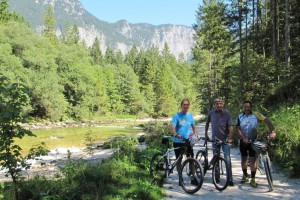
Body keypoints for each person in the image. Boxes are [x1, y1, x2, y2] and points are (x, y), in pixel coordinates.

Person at [236, 100, 276, 188]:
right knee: (243, 159)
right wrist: (243, 138)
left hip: (253, 141)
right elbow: (238, 129)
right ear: (243, 107)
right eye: (245, 106)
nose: (246, 108)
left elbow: (267, 121)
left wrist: (272, 132)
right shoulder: (239, 116)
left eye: (248, 106)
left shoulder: (256, 114)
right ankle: (245, 175)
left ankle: (253, 178)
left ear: (251, 107)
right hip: (243, 141)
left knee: (252, 160)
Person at [205, 98, 234, 186]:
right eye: (217, 104)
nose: (218, 105)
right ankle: (216, 177)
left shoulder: (226, 114)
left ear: (223, 104)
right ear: (214, 105)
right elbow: (207, 123)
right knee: (216, 158)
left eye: (220, 103)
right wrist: (206, 134)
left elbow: (231, 127)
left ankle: (230, 179)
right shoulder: (211, 113)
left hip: (225, 140)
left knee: (227, 159)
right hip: (215, 140)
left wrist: (230, 138)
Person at [171, 98, 198, 185]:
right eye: (184, 105)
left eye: (187, 105)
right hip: (177, 141)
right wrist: (175, 134)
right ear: (181, 106)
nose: (186, 106)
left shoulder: (190, 116)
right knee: (179, 160)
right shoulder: (176, 116)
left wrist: (195, 135)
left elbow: (194, 126)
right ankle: (180, 177)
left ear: (189, 106)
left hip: (187, 141)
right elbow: (173, 127)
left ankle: (192, 178)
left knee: (191, 160)